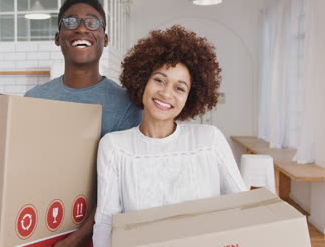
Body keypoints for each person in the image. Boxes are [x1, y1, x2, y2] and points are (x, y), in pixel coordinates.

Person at [92, 25, 248, 247]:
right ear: (143, 80)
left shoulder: (209, 141)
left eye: (179, 88)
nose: (166, 93)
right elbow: (106, 222)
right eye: (159, 80)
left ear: (190, 98)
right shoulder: (114, 146)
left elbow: (242, 206)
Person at [24, 0, 142, 247]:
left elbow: (120, 185)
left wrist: (79, 237)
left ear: (105, 38)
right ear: (58, 38)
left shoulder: (126, 105)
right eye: (70, 22)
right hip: (37, 228)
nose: (80, 28)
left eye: (92, 22)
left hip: (97, 237)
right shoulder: (33, 99)